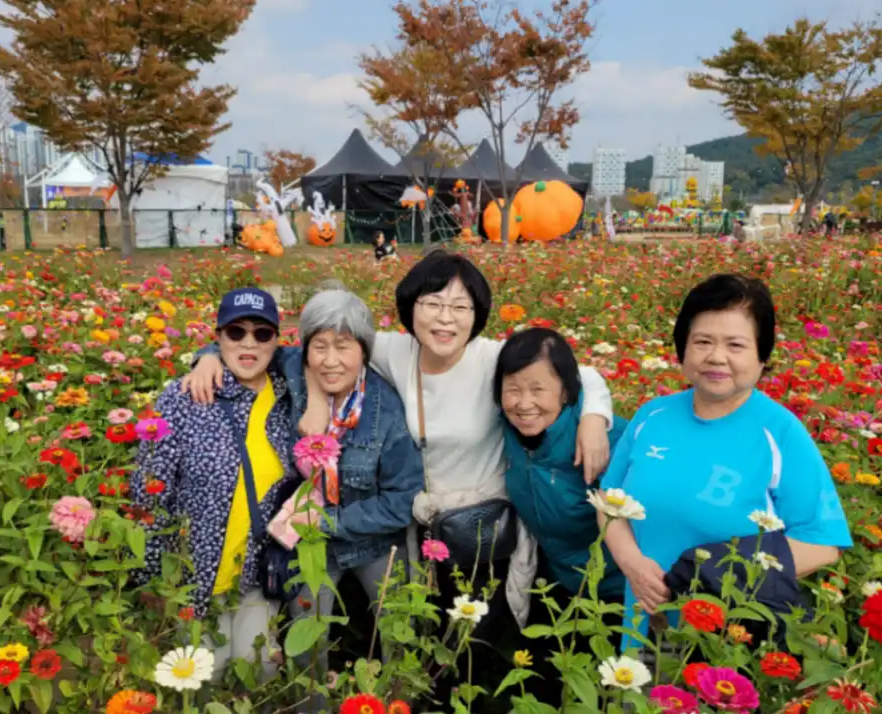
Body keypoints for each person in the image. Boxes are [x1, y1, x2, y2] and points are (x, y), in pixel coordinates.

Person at [183, 252, 616, 705]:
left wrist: (593, 418)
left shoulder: (490, 359)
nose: (445, 318)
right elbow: (276, 348)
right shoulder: (394, 350)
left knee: (463, 642)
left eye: (460, 306)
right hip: (415, 526)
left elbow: (574, 372)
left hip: (477, 528)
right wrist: (210, 355)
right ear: (412, 308)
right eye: (433, 302)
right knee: (369, 636)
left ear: (476, 315)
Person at [601, 273, 852, 651]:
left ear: (761, 356)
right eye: (702, 341)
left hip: (727, 639)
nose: (716, 357)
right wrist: (633, 563)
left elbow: (821, 542)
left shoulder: (780, 433)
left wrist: (709, 579)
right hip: (641, 626)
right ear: (682, 348)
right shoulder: (652, 416)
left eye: (736, 345)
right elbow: (608, 503)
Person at [131, 287, 303, 675]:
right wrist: (151, 579)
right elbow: (150, 493)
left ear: (276, 341)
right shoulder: (186, 396)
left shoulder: (289, 399)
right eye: (235, 332)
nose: (248, 343)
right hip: (193, 575)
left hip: (258, 575)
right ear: (218, 336)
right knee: (197, 676)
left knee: (256, 671)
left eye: (261, 334)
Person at [263, 290, 424, 683]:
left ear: (364, 351)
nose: (330, 360)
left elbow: (403, 501)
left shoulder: (386, 411)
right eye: (319, 346)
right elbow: (242, 349)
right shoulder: (297, 373)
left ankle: (395, 702)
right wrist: (205, 362)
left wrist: (329, 522)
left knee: (399, 631)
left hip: (373, 540)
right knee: (306, 637)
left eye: (343, 346)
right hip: (312, 545)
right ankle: (311, 703)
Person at [494, 328, 627, 705]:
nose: (523, 403)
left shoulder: (607, 442)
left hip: (616, 593)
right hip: (557, 583)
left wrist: (595, 419)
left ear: (567, 393)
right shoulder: (505, 428)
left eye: (539, 390)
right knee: (544, 687)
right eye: (513, 389)